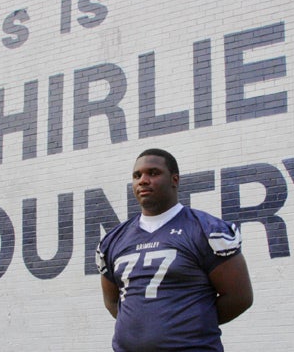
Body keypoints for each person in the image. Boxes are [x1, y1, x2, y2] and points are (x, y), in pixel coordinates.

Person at [96, 148, 253, 351]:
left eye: (153, 173)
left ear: (174, 180)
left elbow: (239, 298)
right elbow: (112, 302)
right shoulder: (114, 240)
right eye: (137, 175)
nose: (143, 180)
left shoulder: (204, 229)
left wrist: (190, 325)